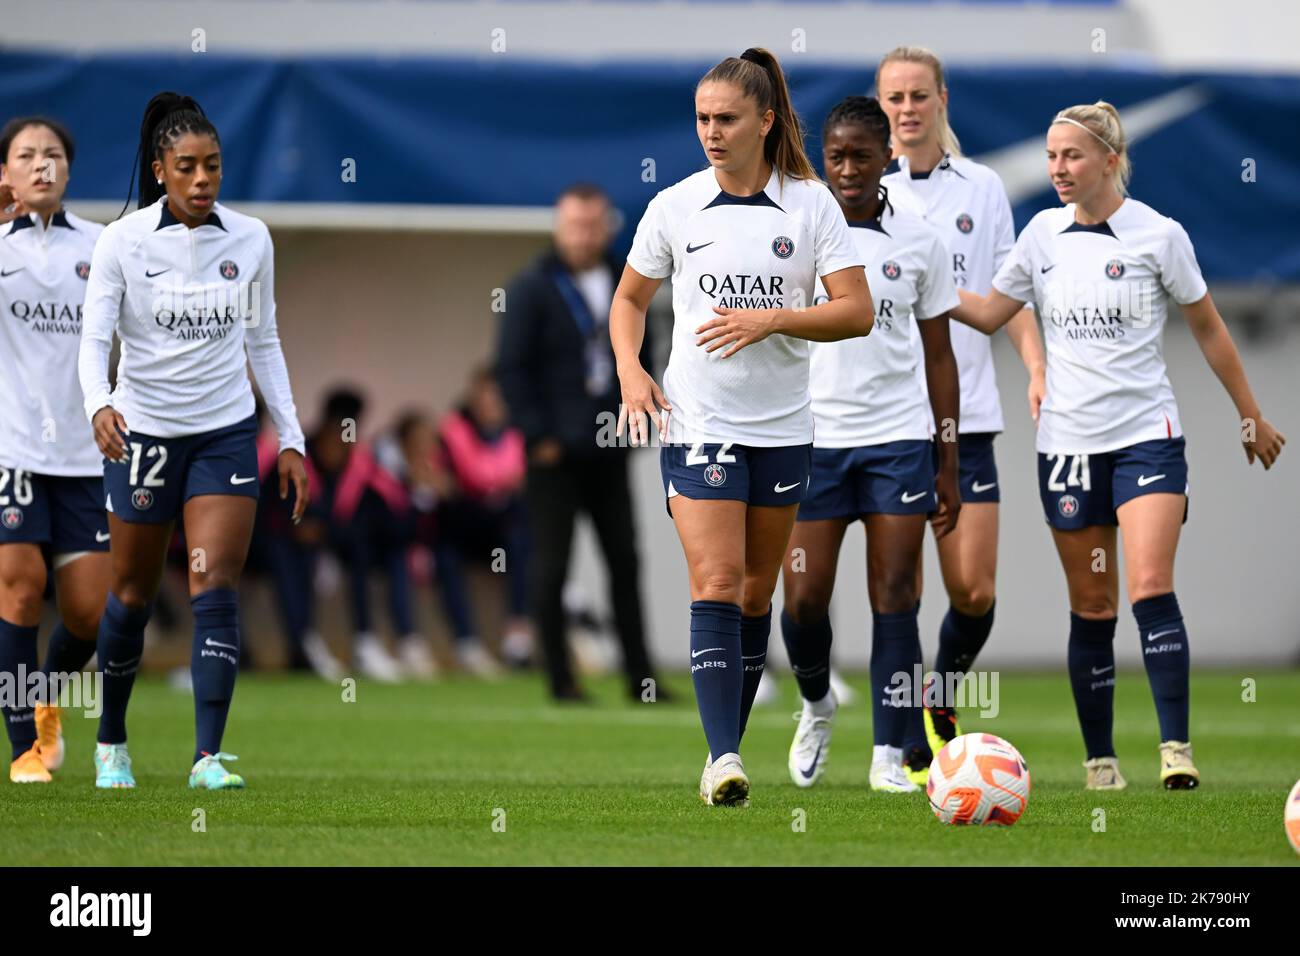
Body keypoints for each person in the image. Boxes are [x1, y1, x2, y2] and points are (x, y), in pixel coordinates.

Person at [951, 100, 1285, 790]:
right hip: (1068, 446)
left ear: (1110, 158)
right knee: (1094, 606)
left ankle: (1175, 751)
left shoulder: (1159, 236)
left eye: (1071, 156)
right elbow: (988, 312)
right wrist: (916, 281)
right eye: (1049, 157)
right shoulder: (1041, 235)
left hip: (1147, 440)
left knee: (1151, 586)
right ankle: (1099, 759)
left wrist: (1248, 413)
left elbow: (1211, 328)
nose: (1057, 169)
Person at [614, 48, 873, 806]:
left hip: (785, 429)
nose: (710, 132)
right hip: (701, 422)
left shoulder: (812, 205)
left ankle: (729, 743)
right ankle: (723, 757)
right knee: (718, 583)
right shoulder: (674, 206)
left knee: (759, 594)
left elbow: (855, 311)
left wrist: (775, 320)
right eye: (701, 119)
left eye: (726, 119)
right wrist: (632, 372)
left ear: (764, 120)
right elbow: (629, 301)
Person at [78, 92, 309, 789]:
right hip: (144, 435)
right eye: (188, 167)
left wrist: (291, 435)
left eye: (212, 165)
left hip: (224, 436)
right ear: (160, 172)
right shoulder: (121, 242)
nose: (203, 179)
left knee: (215, 585)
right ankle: (111, 738)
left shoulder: (251, 238)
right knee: (132, 593)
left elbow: (262, 340)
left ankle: (208, 757)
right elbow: (95, 341)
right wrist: (97, 407)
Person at [875, 47, 1049, 782]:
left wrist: (1037, 368)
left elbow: (1006, 294)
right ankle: (905, 747)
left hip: (966, 418)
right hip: (883, 422)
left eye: (919, 95)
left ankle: (936, 702)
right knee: (899, 591)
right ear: (880, 106)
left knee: (973, 591)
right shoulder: (859, 191)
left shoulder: (982, 187)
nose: (907, 109)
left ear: (942, 98)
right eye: (893, 98)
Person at [780, 96, 961, 793]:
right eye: (836, 156)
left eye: (861, 154)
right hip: (814, 443)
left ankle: (890, 752)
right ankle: (817, 700)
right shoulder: (797, 233)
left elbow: (940, 356)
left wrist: (948, 459)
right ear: (821, 159)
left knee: (896, 595)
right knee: (801, 601)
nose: (848, 168)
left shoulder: (920, 239)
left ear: (889, 156)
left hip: (897, 442)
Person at [496, 183, 664, 702]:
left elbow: (644, 352)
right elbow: (510, 368)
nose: (583, 234)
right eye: (574, 224)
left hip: (609, 447)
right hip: (554, 454)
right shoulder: (529, 287)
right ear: (558, 226)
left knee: (625, 561)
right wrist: (537, 435)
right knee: (552, 565)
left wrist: (637, 418)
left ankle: (640, 679)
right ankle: (560, 679)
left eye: (593, 224)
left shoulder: (625, 280)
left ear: (607, 227)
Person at [0, 116, 109, 784]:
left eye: (53, 155)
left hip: (84, 454)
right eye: (24, 155)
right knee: (20, 590)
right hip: (10, 448)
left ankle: (45, 697)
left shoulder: (105, 247)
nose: (41, 164)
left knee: (89, 614)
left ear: (69, 169)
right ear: (5, 174)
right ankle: (23, 751)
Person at [306, 387, 429, 681]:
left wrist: (420, 494)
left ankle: (373, 642)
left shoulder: (362, 462)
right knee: (295, 555)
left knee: (382, 552)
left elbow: (389, 512)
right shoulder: (300, 455)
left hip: (346, 545)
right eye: (342, 426)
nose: (346, 434)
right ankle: (305, 641)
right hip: (304, 546)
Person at [427, 369, 533, 673]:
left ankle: (517, 633)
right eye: (483, 395)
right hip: (462, 527)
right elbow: (446, 484)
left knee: (522, 539)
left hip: (501, 531)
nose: (489, 403)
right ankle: (466, 642)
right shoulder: (452, 432)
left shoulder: (517, 433)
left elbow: (520, 484)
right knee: (444, 556)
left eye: (495, 396)